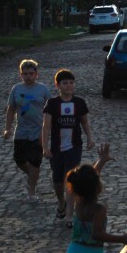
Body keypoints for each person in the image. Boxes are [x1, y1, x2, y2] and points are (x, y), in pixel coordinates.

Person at [63, 143, 127, 253]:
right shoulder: (98, 209)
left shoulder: (77, 203)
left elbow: (86, 181)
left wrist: (101, 162)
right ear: (97, 186)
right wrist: (122, 239)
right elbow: (97, 234)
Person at [42, 69, 95, 228]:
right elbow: (46, 126)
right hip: (57, 148)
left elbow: (85, 122)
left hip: (74, 147)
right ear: (58, 85)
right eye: (65, 83)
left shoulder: (79, 102)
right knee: (58, 182)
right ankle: (61, 202)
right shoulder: (52, 103)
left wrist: (90, 138)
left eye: (71, 83)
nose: (69, 86)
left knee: (70, 181)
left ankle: (70, 216)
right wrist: (45, 146)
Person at [3, 59, 52, 202]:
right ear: (21, 75)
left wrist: (49, 130)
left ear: (36, 74)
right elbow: (11, 109)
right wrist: (7, 128)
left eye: (31, 73)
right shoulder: (16, 89)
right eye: (25, 74)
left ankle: (31, 190)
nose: (28, 76)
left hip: (38, 131)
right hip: (21, 131)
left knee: (35, 161)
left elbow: (51, 110)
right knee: (19, 159)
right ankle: (33, 175)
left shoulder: (43, 89)